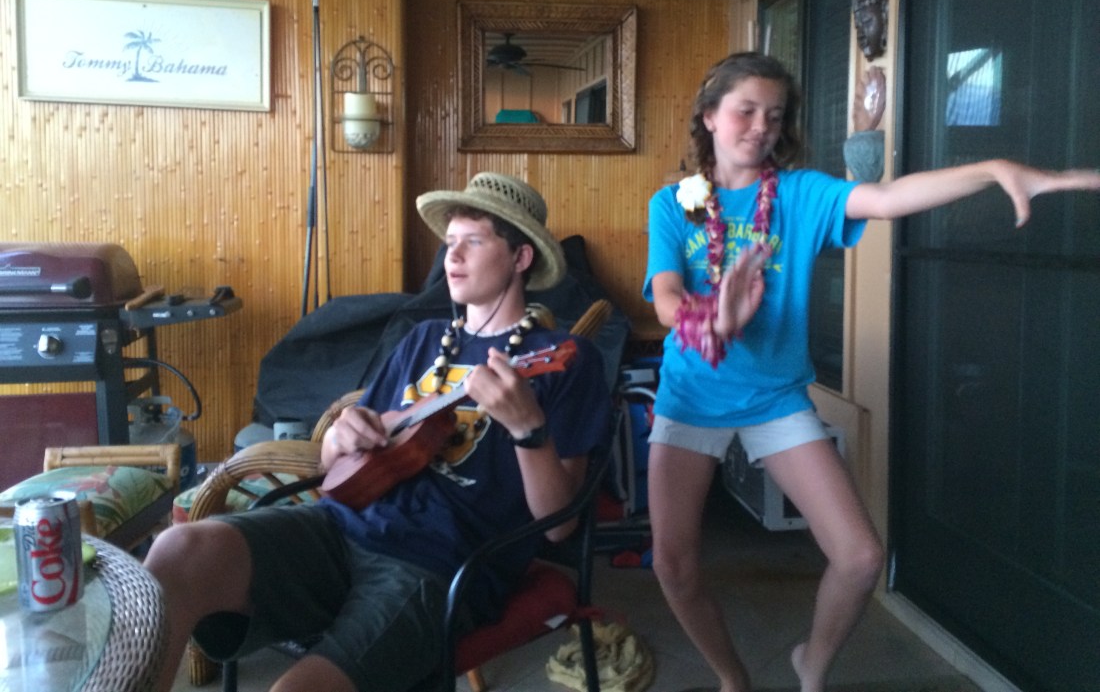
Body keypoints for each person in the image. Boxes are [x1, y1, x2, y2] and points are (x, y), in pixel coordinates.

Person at [642, 52, 1100, 692]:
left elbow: (888, 197)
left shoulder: (800, 195)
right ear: (709, 117)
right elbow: (665, 299)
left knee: (860, 559)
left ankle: (812, 668)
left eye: (774, 117)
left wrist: (994, 170)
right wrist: (715, 319)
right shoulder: (673, 205)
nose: (760, 127)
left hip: (775, 397)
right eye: (745, 110)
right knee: (674, 566)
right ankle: (731, 678)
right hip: (691, 396)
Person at [144, 172, 615, 692]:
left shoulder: (567, 361)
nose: (451, 257)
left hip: (437, 565)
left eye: (473, 242)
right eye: (449, 242)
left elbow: (558, 527)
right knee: (176, 552)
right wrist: (341, 434)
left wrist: (529, 431)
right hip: (339, 525)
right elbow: (334, 459)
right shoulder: (423, 339)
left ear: (520, 258)